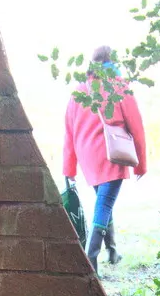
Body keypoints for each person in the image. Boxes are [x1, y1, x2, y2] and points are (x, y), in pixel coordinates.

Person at [62, 46, 147, 273]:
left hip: (88, 159)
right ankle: (90, 261)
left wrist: (69, 168)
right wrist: (141, 164)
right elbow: (136, 126)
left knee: (104, 200)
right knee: (104, 204)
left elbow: (69, 133)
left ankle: (112, 250)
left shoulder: (78, 92)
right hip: (112, 155)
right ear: (112, 61)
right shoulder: (118, 86)